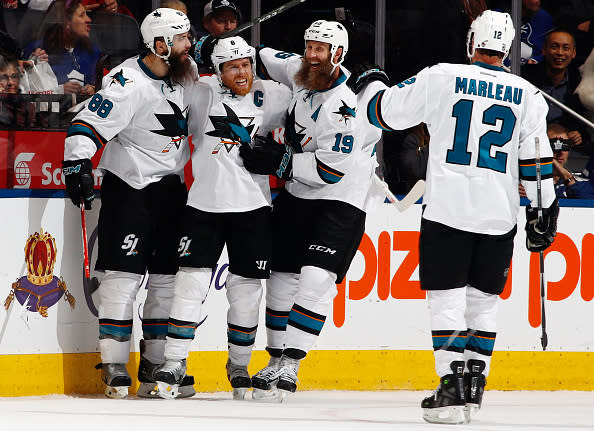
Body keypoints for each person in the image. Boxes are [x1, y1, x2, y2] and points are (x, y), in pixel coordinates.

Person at [361, 10, 558, 424]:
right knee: (483, 305)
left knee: (447, 301)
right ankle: (473, 389)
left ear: (472, 42)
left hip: (448, 210)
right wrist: (544, 212)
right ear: (507, 50)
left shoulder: (440, 76)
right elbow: (537, 163)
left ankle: (450, 387)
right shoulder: (529, 94)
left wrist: (372, 83)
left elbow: (382, 114)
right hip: (498, 216)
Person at [237, 20, 379, 400]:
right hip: (298, 197)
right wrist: (205, 46)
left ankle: (292, 363)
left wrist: (279, 162)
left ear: (339, 55)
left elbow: (331, 172)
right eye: (309, 47)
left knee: (316, 279)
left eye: (321, 50)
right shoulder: (302, 71)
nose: (312, 56)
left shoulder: (346, 107)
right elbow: (260, 56)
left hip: (339, 201)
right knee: (281, 278)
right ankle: (274, 358)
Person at [61, 7, 196, 399]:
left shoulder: (185, 77)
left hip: (171, 191)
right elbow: (88, 122)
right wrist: (76, 163)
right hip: (130, 188)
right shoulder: (127, 82)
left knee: (166, 280)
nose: (190, 46)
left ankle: (155, 364)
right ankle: (116, 362)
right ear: (159, 45)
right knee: (122, 279)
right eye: (183, 39)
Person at [151, 36, 292, 400]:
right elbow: (168, 70)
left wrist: (281, 154)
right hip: (204, 207)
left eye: (245, 63)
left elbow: (308, 94)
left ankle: (239, 365)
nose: (242, 72)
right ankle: (175, 361)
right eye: (233, 66)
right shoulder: (200, 91)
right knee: (190, 284)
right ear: (217, 69)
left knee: (245, 292)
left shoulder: (273, 94)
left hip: (254, 209)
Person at [522, 29, 593, 154]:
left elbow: (582, 121)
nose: (560, 53)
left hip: (567, 150)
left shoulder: (579, 82)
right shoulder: (526, 76)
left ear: (573, 53)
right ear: (544, 50)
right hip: (530, 143)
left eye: (566, 48)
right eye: (554, 47)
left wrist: (578, 134)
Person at [24, 0, 100, 96]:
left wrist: (93, 89)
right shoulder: (37, 50)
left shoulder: (92, 50)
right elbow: (27, 89)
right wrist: (59, 90)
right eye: (82, 15)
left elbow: (102, 84)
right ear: (66, 22)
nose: (89, 20)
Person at [548, 123, 594, 198]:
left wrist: (568, 179)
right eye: (554, 146)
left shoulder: (580, 183)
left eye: (565, 146)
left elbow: (589, 197)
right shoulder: (526, 184)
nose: (561, 152)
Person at [193, 0, 240, 74]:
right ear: (206, 23)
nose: (228, 27)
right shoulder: (202, 46)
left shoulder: (243, 45)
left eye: (232, 21)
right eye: (221, 21)